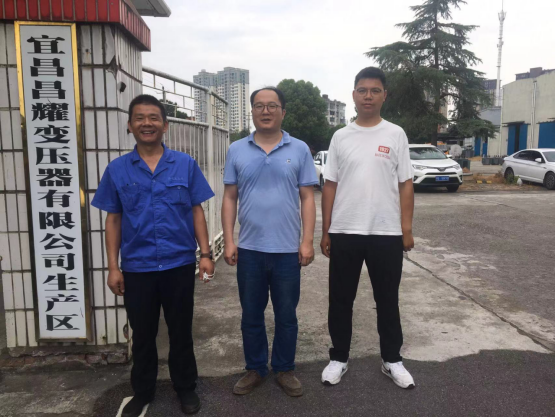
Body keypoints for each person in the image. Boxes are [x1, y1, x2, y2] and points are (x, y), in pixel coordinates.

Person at [91, 94, 215, 416]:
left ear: (165, 125)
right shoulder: (117, 169)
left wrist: (205, 253)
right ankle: (143, 392)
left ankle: (185, 387)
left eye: (153, 118)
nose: (147, 123)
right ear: (130, 125)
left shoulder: (185, 164)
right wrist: (113, 267)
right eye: (140, 118)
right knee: (143, 334)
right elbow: (113, 220)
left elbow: (196, 211)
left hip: (178, 264)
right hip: (138, 267)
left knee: (180, 331)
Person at [320, 67, 416, 389]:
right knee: (340, 299)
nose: (368, 96)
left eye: (375, 91)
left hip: (386, 232)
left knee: (387, 299)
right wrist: (326, 230)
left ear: (384, 95)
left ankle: (392, 359)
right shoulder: (341, 136)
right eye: (362, 90)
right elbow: (330, 185)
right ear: (354, 95)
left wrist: (406, 228)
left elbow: (405, 184)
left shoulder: (395, 134)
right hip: (345, 230)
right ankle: (339, 357)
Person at [221, 87, 318, 397]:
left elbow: (307, 198)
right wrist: (229, 240)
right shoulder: (237, 149)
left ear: (282, 112)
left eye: (272, 106)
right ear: (252, 111)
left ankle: (285, 368)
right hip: (249, 249)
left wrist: (307, 241)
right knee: (251, 314)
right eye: (259, 106)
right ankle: (256, 368)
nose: (266, 111)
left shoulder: (299, 149)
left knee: (286, 315)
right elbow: (230, 197)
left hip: (287, 251)